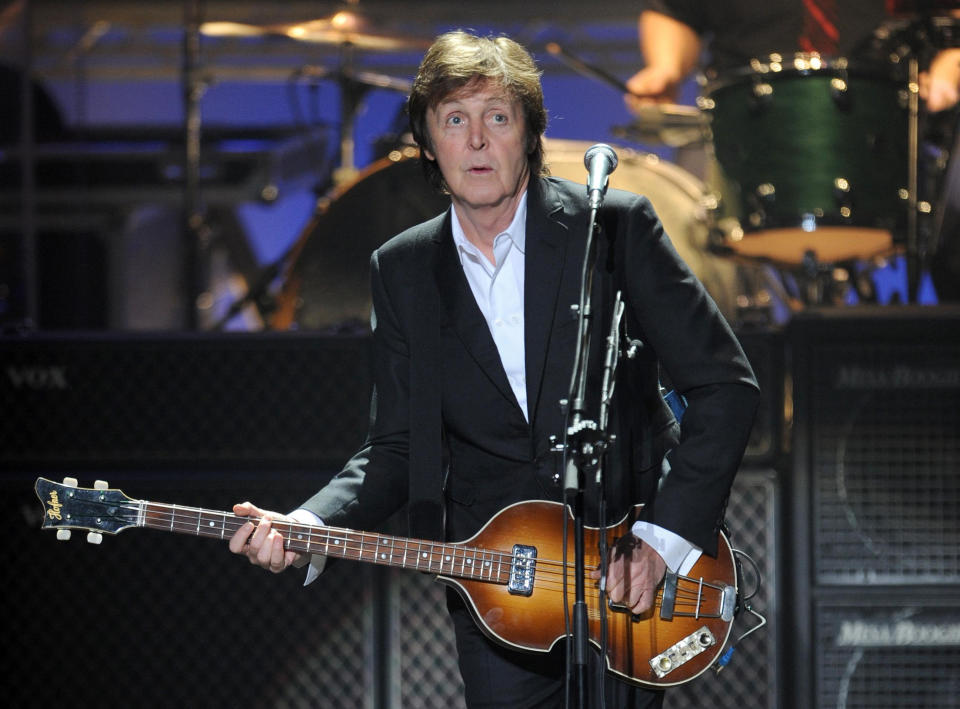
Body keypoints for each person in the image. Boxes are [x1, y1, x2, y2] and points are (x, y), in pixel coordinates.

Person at [228, 30, 760, 708]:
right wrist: (312, 523)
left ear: (529, 135)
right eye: (455, 120)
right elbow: (394, 447)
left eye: (497, 118)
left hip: (629, 583)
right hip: (498, 602)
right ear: (428, 143)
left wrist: (662, 540)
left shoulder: (614, 228)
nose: (476, 141)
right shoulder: (401, 269)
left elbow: (724, 386)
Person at [625, 0, 960, 111]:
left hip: (905, 120)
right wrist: (664, 67)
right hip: (743, 120)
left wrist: (950, 65)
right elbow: (675, 10)